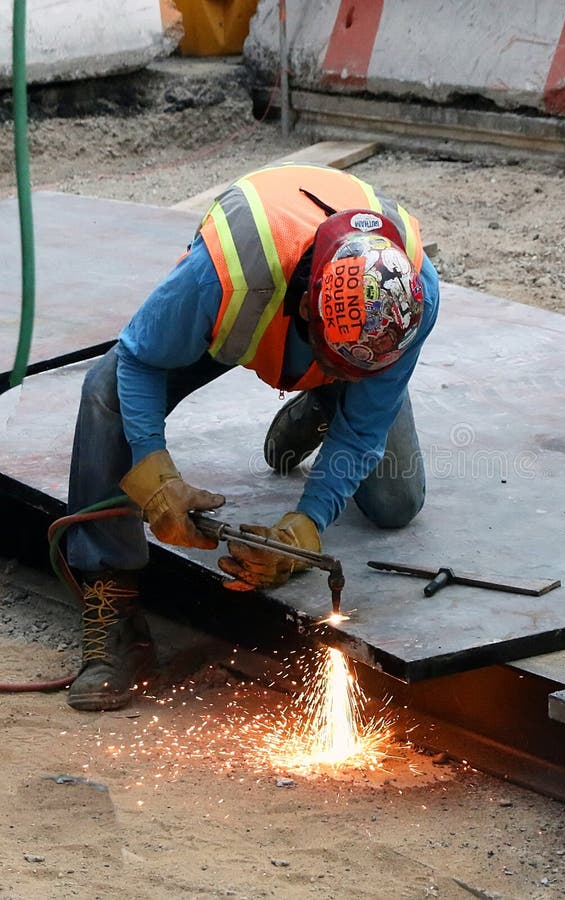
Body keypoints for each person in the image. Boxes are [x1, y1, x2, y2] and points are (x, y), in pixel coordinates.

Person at [65, 162, 440, 712]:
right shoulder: (222, 278)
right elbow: (141, 360)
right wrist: (155, 473)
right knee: (104, 391)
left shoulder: (412, 297)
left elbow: (363, 432)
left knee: (396, 502)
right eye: (331, 363)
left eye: (348, 371)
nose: (340, 369)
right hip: (251, 307)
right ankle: (113, 604)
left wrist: (305, 528)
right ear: (307, 304)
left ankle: (323, 401)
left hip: (345, 354)